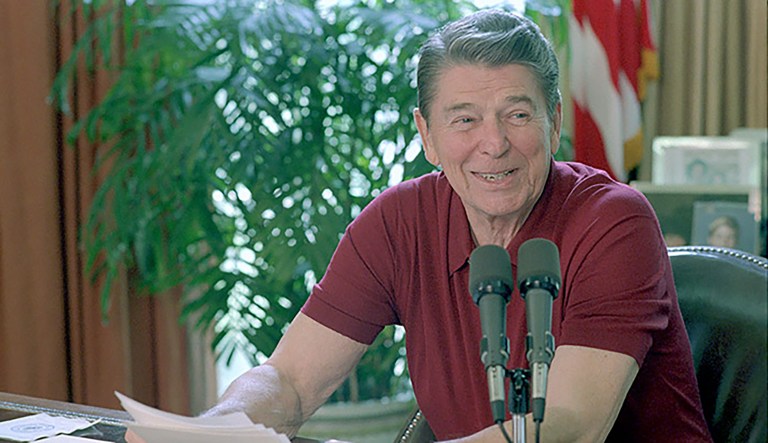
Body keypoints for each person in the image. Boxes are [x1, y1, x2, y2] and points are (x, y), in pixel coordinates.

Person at [128, 9, 711, 442]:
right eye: (464, 119)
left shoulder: (614, 221)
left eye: (517, 113)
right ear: (426, 135)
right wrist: (213, 429)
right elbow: (290, 379)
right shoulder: (399, 222)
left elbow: (569, 425)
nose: (493, 142)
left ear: (554, 121)